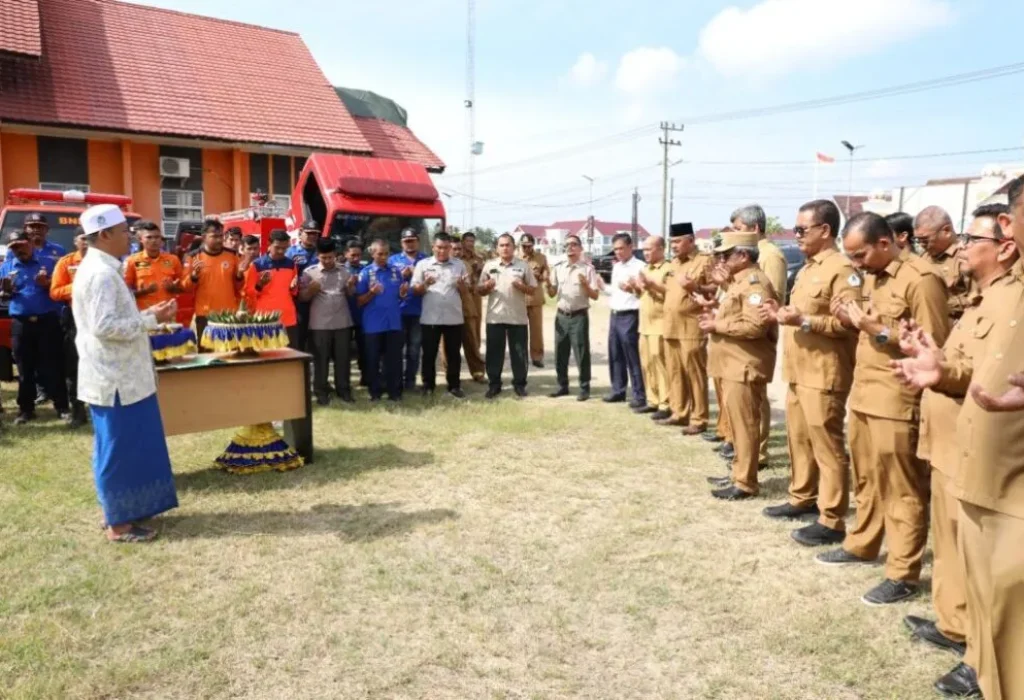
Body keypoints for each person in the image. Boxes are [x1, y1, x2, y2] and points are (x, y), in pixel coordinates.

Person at [891, 201, 1020, 698]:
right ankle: (957, 628)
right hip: (954, 439)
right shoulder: (987, 299)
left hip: (985, 451)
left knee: (988, 569)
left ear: (1005, 247)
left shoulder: (1011, 299)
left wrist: (945, 370)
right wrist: (936, 360)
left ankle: (978, 657)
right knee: (953, 547)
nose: (963, 248)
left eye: (973, 240)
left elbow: (990, 379)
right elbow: (969, 367)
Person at [815, 212, 949, 606]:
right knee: (868, 478)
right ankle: (863, 543)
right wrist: (851, 319)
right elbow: (869, 325)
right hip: (865, 394)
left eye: (860, 255)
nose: (856, 264)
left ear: (885, 243)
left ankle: (902, 572)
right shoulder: (874, 275)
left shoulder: (920, 279)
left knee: (902, 487)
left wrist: (878, 330)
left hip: (897, 398)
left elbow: (934, 346)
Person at [73, 203, 179, 543]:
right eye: (123, 232)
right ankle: (118, 524)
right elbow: (105, 327)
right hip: (115, 380)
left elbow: (113, 318)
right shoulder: (101, 274)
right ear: (104, 234)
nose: (129, 239)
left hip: (125, 377)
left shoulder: (105, 268)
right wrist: (150, 320)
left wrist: (147, 314)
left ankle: (126, 510)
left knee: (131, 447)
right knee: (117, 451)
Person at [759, 200, 859, 545]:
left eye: (802, 229)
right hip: (799, 370)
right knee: (799, 439)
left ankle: (832, 519)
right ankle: (802, 497)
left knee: (827, 447)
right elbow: (801, 314)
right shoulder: (806, 269)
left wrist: (803, 320)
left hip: (824, 372)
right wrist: (781, 313)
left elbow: (850, 324)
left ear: (825, 230)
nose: (797, 235)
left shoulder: (842, 270)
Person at [700, 231, 778, 501]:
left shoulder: (755, 284)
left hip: (744, 365)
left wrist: (717, 324)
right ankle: (738, 473)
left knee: (745, 425)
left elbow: (755, 326)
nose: (720, 261)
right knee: (736, 425)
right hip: (732, 363)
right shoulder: (739, 282)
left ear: (743, 255)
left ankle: (745, 482)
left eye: (725, 255)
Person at [732, 204, 786, 468]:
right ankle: (743, 450)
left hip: (758, 334)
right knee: (745, 400)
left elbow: (770, 297)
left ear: (755, 228)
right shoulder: (750, 253)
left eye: (739, 229)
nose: (735, 234)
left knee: (756, 398)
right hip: (742, 333)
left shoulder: (770, 255)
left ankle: (758, 454)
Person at [0, 230, 71, 425]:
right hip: (21, 323)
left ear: (30, 243)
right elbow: (4, 296)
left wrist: (47, 283)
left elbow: (61, 290)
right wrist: (6, 291)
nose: (19, 250)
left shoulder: (48, 264)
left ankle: (62, 407)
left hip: (48, 320)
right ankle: (26, 410)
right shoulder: (7, 267)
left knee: (53, 365)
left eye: (21, 245)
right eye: (14, 247)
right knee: (25, 368)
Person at [660, 222, 714, 432]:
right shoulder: (673, 263)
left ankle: (699, 418)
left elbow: (716, 288)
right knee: (675, 371)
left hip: (692, 325)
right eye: (671, 242)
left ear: (691, 240)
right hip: (671, 325)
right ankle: (679, 412)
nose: (673, 246)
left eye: (678, 241)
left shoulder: (704, 260)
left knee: (695, 373)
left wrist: (696, 286)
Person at [478, 233, 537, 398]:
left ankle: (519, 384)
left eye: (508, 245)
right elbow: (479, 290)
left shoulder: (523, 266)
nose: (505, 248)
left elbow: (533, 289)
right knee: (494, 353)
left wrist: (522, 287)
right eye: (501, 245)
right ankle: (494, 385)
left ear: (514, 247)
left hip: (517, 317)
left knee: (519, 353)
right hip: (495, 317)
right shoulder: (489, 266)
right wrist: (486, 286)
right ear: (497, 248)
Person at [412, 233, 468, 398]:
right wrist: (426, 283)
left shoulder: (459, 265)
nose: (442, 251)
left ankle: (454, 386)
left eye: (445, 248)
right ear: (433, 247)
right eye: (439, 247)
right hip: (430, 317)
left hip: (453, 317)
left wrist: (461, 285)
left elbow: (465, 292)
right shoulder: (423, 265)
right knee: (429, 353)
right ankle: (428, 385)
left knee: (454, 354)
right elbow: (415, 291)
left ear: (450, 248)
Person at [300, 238, 355, 405]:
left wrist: (351, 286)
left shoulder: (344, 271)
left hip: (342, 322)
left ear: (335, 255)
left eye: (330, 257)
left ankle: (344, 390)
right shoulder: (309, 273)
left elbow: (351, 294)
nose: (327, 261)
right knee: (321, 360)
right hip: (320, 324)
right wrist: (311, 290)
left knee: (343, 359)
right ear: (318, 256)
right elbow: (302, 298)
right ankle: (321, 392)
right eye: (323, 257)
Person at [546, 234, 599, 401]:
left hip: (579, 316)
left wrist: (585, 285)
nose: (570, 247)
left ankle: (584, 388)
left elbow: (595, 295)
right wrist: (547, 283)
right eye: (567, 245)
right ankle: (562, 386)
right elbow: (552, 293)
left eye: (574, 244)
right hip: (561, 316)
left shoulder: (587, 269)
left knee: (581, 353)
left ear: (580, 248)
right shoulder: (558, 268)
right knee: (560, 353)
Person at [356, 239, 408, 402]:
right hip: (373, 324)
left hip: (393, 322)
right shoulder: (366, 273)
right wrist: (371, 292)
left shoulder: (396, 271)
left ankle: (395, 392)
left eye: (386, 254)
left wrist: (402, 294)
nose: (384, 257)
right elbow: (359, 301)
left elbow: (399, 297)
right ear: (372, 254)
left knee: (394, 360)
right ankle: (375, 392)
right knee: (373, 360)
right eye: (380, 254)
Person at [49, 228, 90, 427]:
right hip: (76, 319)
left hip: (101, 317)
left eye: (90, 237)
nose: (87, 242)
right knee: (75, 367)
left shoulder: (106, 261)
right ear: (75, 241)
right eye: (83, 238)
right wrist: (79, 286)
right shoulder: (66, 262)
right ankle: (78, 410)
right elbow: (55, 292)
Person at [181, 220, 245, 342]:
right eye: (215, 236)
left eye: (221, 236)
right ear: (204, 237)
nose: (219, 240)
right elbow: (185, 287)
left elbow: (239, 286)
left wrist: (239, 276)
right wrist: (194, 276)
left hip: (229, 314)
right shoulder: (193, 257)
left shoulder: (232, 255)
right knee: (207, 351)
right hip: (205, 315)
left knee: (230, 350)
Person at [604, 233, 646, 408]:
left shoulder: (640, 267)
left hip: (630, 314)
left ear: (631, 247)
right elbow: (615, 291)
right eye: (615, 249)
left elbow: (643, 293)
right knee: (615, 355)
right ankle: (618, 390)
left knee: (632, 356)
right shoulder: (617, 267)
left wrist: (632, 288)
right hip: (615, 314)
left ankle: (639, 394)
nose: (618, 252)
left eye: (621, 248)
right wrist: (601, 286)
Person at [914, 205, 978, 320]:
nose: (921, 245)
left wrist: (939, 302)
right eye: (918, 240)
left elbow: (977, 300)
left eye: (925, 239)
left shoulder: (965, 256)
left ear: (946, 231)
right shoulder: (924, 257)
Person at [634, 235, 672, 417]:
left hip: (660, 324)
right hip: (644, 325)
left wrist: (651, 286)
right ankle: (652, 400)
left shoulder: (668, 269)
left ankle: (665, 403)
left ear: (661, 249)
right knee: (647, 364)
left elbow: (671, 294)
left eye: (649, 249)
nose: (645, 253)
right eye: (644, 249)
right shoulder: (644, 269)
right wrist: (634, 287)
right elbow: (641, 295)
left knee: (661, 365)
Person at [245, 230, 299, 347]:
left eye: (284, 248)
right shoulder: (257, 265)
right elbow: (249, 294)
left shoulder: (291, 265)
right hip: (265, 319)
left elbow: (293, 292)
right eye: (277, 247)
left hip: (288, 318)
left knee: (290, 355)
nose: (281, 251)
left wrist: (294, 288)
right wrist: (260, 285)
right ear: (269, 244)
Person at [390, 229, 428, 391]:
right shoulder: (393, 260)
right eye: (406, 241)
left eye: (412, 240)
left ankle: (410, 381)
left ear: (418, 241)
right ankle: (396, 381)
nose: (410, 244)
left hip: (418, 311)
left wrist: (415, 273)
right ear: (401, 243)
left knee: (414, 349)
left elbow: (432, 282)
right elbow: (387, 283)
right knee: (396, 349)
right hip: (398, 311)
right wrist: (401, 275)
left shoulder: (426, 260)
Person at [124, 221, 184, 311]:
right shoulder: (132, 261)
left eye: (157, 237)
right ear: (140, 239)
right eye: (149, 237)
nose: (154, 240)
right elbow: (124, 293)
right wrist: (143, 292)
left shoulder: (173, 260)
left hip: (168, 312)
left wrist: (173, 289)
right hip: (145, 314)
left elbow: (184, 287)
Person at [286, 220, 321, 351]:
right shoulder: (291, 253)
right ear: (301, 232)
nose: (312, 236)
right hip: (298, 302)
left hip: (319, 300)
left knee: (316, 339)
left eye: (315, 234)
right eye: (309, 233)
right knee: (299, 337)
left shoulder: (321, 252)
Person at [458, 231, 487, 382]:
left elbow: (482, 281)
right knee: (448, 341)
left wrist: (478, 271)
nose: (470, 244)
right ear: (462, 242)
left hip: (472, 302)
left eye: (472, 241)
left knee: (473, 337)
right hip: (453, 303)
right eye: (467, 241)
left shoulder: (479, 259)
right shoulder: (455, 258)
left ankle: (477, 371)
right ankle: (450, 374)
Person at [519, 233, 550, 368]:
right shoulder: (515, 258)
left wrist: (541, 276)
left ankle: (537, 357)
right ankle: (520, 357)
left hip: (535, 299)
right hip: (519, 299)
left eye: (529, 246)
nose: (526, 248)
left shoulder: (541, 258)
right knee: (518, 331)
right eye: (524, 246)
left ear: (533, 245)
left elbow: (546, 273)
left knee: (536, 331)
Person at [343, 239, 367, 386]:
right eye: (353, 255)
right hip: (344, 316)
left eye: (358, 255)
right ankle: (344, 380)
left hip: (362, 316)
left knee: (364, 349)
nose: (356, 258)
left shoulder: (366, 270)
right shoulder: (340, 270)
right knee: (343, 351)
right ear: (346, 254)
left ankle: (366, 377)